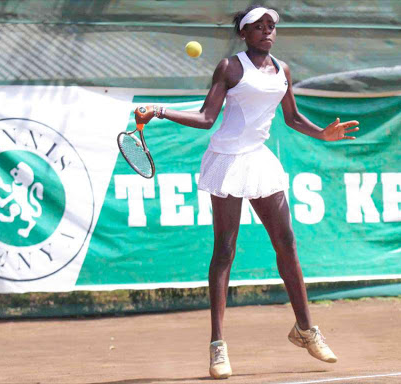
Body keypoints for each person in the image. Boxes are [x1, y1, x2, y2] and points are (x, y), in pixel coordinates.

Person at [135, 5, 359, 380]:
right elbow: (207, 118)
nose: (267, 31)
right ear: (244, 33)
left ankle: (306, 330)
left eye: (271, 25)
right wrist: (160, 110)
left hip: (259, 158)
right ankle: (217, 346)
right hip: (226, 158)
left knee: (286, 242)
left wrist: (322, 132)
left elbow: (291, 117)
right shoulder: (230, 67)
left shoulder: (282, 70)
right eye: (258, 26)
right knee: (224, 248)